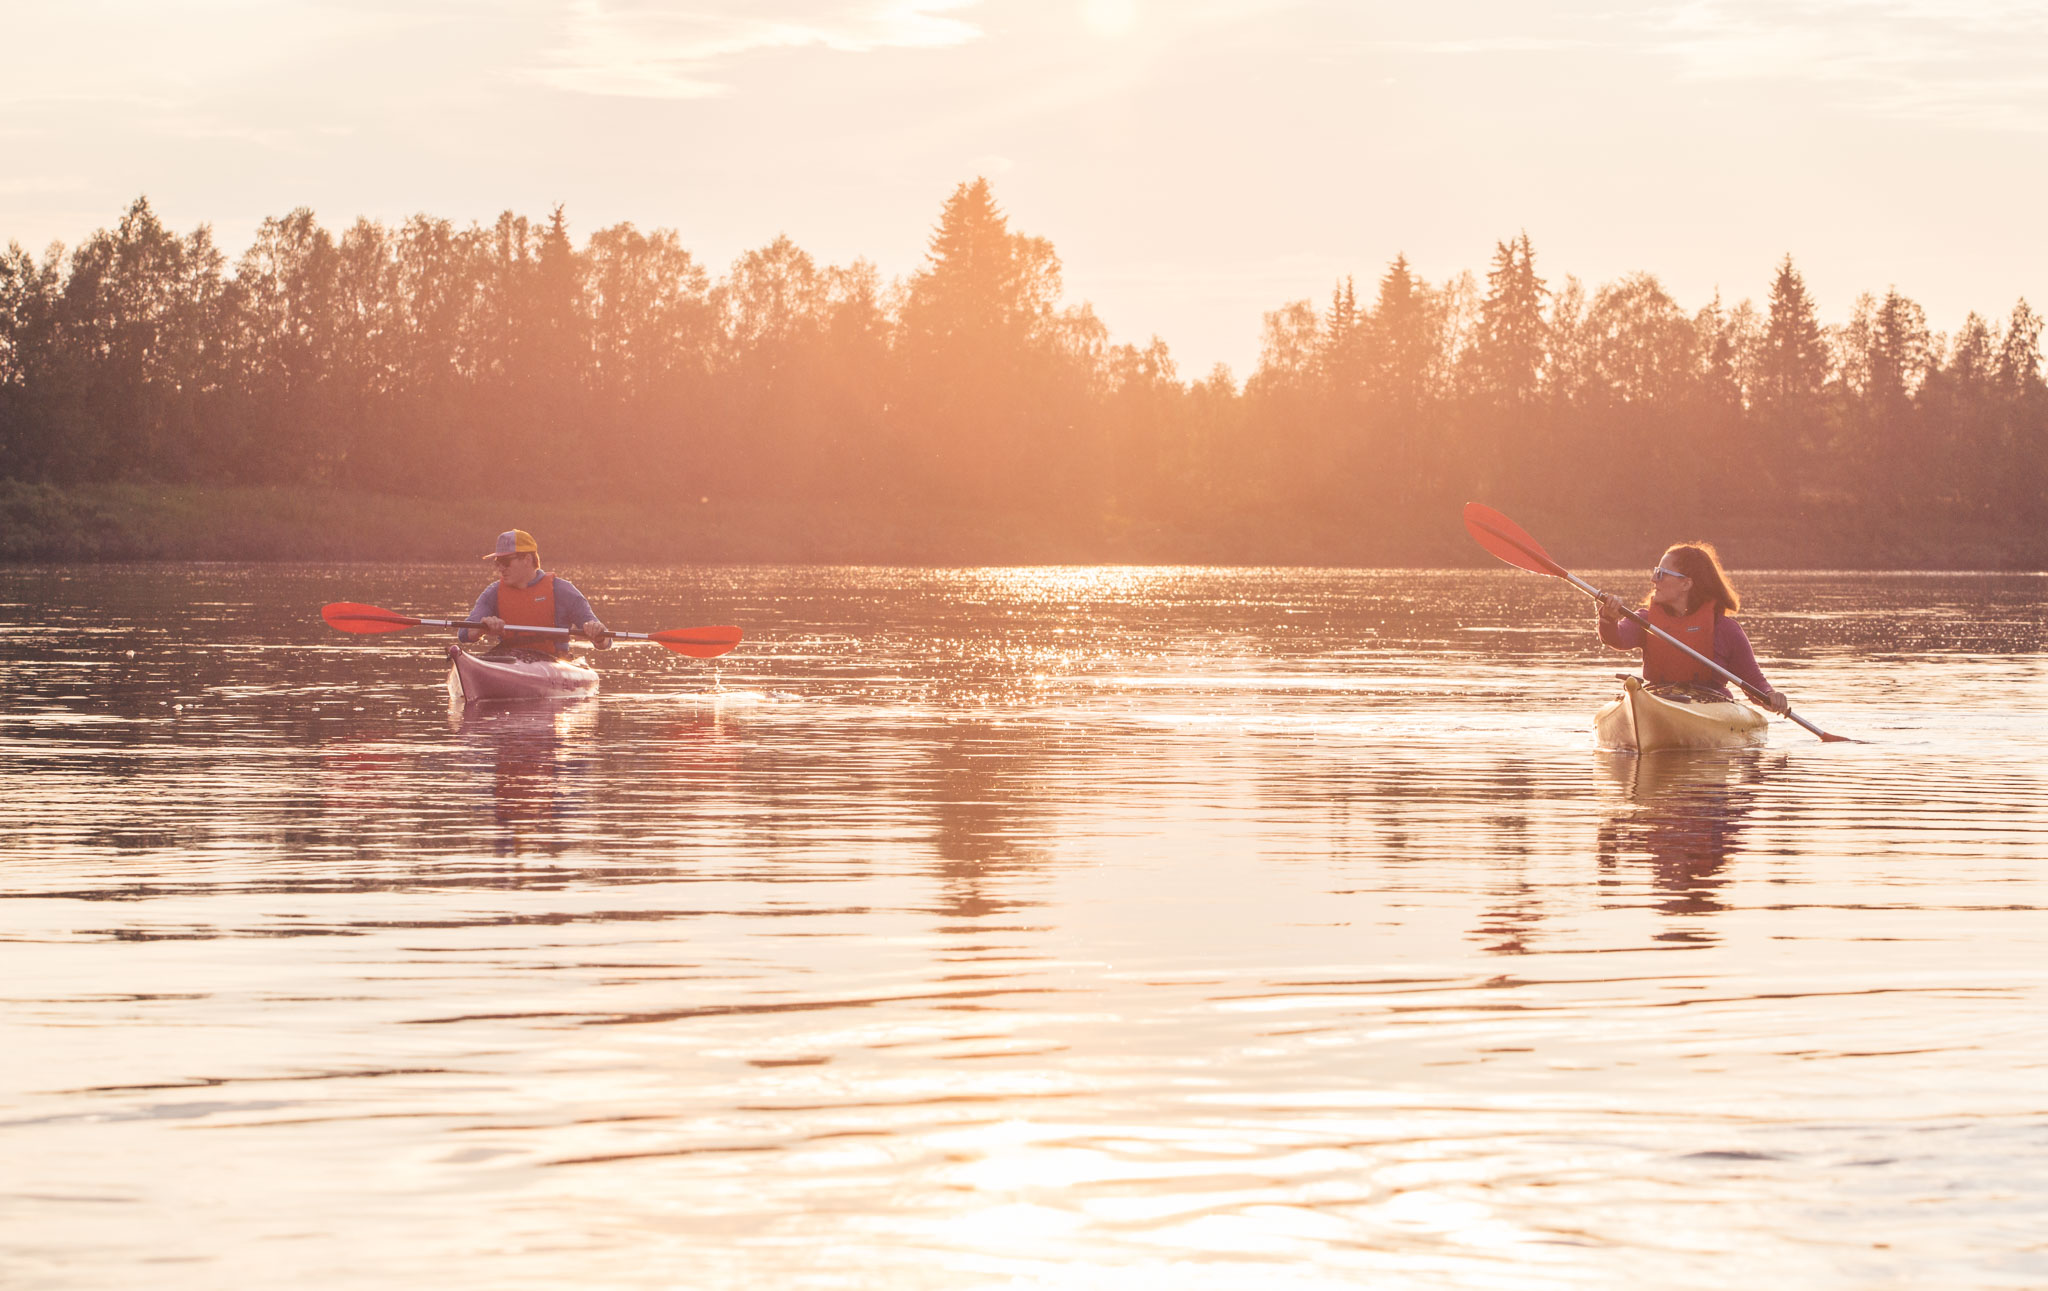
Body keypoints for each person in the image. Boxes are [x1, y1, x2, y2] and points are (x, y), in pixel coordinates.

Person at [1595, 541, 1790, 714]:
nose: (1653, 580)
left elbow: (1754, 682)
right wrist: (1607, 618)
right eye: (1656, 572)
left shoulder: (1726, 629)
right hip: (1658, 700)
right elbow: (1616, 639)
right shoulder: (1645, 620)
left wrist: (1770, 695)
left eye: (1661, 574)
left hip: (1711, 706)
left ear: (1686, 583)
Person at [460, 529, 611, 657]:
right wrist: (481, 628)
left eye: (505, 562)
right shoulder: (492, 593)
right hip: (510, 662)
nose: (500, 568)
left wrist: (597, 633)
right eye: (497, 563)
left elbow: (605, 643)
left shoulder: (563, 591)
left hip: (555, 664)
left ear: (527, 559)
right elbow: (464, 634)